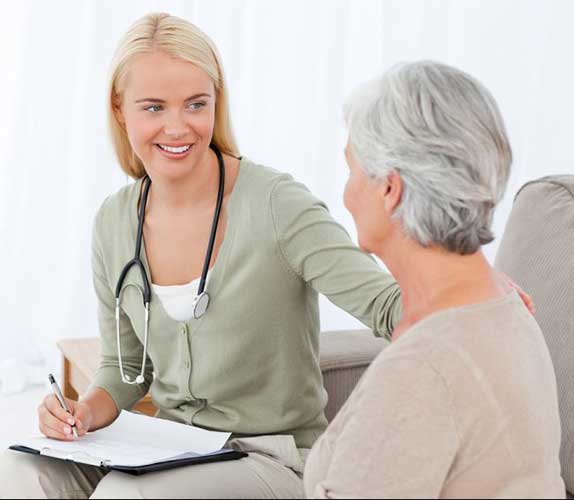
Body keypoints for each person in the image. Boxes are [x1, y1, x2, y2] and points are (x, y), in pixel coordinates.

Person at [0, 13, 532, 499]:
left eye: (196, 104)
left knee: (128, 497)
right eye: (154, 107)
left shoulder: (277, 204)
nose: (178, 127)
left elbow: (388, 305)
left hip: (270, 457)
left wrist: (476, 297)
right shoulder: (113, 222)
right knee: (24, 472)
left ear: (217, 102)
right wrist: (81, 413)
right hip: (164, 449)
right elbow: (125, 369)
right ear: (120, 110)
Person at [304, 61, 565, 499]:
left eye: (352, 171)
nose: (347, 194)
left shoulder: (421, 370)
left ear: (391, 189)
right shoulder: (506, 308)